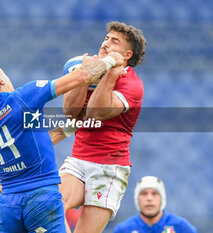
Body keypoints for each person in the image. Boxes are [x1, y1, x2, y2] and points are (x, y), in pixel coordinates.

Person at [0, 51, 125, 233]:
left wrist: (71, 126)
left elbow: (34, 143)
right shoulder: (21, 98)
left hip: (9, 205)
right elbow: (81, 76)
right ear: (1, 80)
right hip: (40, 198)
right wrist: (111, 60)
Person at [59, 21, 147, 233]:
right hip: (78, 160)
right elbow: (70, 112)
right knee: (49, 206)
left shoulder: (132, 85)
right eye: (106, 38)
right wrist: (83, 75)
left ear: (127, 54)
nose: (106, 43)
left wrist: (110, 74)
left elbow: (95, 111)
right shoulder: (87, 68)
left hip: (108, 168)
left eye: (114, 41)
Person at [113, 176, 198, 233]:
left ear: (162, 199)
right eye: (144, 193)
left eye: (154, 193)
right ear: (137, 199)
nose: (149, 198)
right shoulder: (123, 229)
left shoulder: (181, 226)